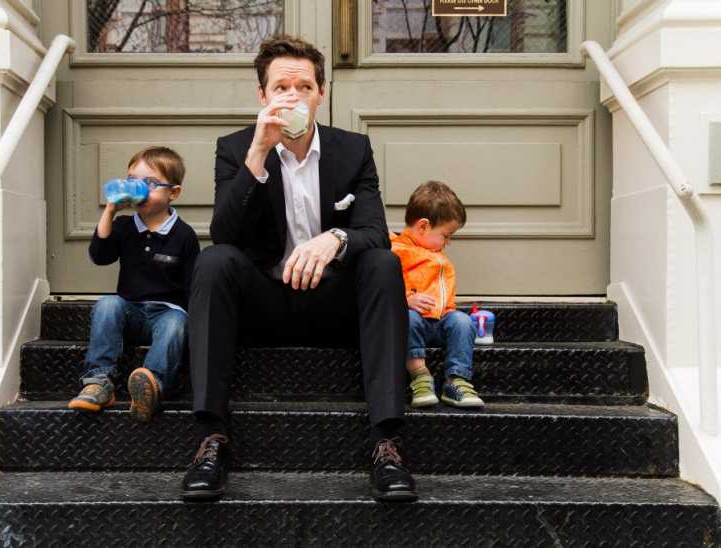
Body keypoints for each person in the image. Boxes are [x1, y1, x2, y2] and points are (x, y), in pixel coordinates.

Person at [181, 35, 416, 502]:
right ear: (263, 96)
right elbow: (224, 234)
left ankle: (386, 443)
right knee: (213, 261)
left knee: (383, 263)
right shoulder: (235, 150)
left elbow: (374, 229)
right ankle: (211, 439)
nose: (293, 96)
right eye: (282, 87)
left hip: (333, 305)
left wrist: (335, 238)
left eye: (304, 86)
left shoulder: (352, 150)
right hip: (264, 304)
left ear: (321, 94)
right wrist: (257, 156)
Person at [68, 146, 200, 423]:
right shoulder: (126, 226)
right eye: (132, 181)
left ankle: (152, 386)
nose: (138, 188)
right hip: (130, 311)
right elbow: (100, 256)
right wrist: (110, 211)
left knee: (178, 321)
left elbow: (192, 285)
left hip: (166, 313)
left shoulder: (184, 235)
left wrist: (194, 328)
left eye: (149, 183)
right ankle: (99, 381)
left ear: (173, 193)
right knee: (107, 304)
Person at [390, 181, 484, 409]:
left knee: (463, 322)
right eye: (446, 235)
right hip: (414, 321)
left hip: (441, 321)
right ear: (422, 227)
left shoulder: (436, 253)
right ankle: (420, 377)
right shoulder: (397, 251)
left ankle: (457, 381)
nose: (448, 242)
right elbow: (383, 288)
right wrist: (406, 300)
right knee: (406, 319)